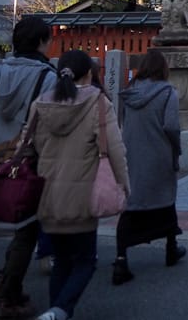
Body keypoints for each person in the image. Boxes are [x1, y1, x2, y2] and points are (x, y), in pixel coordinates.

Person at [23, 49, 128, 320]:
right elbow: (116, 150)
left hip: (47, 193)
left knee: (61, 263)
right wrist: (123, 185)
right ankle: (59, 311)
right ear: (90, 73)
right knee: (85, 261)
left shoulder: (41, 104)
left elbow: (27, 145)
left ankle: (55, 311)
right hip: (83, 193)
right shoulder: (97, 104)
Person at [0, 17, 58, 318]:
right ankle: (9, 294)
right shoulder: (48, 77)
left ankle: (5, 280)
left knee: (20, 226)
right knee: (28, 229)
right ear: (42, 41)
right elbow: (51, 123)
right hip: (31, 158)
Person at [113, 49, 185, 285]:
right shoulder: (167, 93)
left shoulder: (129, 93)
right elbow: (172, 126)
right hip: (159, 154)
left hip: (132, 155)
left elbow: (121, 122)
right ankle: (171, 248)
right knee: (165, 200)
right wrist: (176, 148)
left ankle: (121, 257)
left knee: (131, 204)